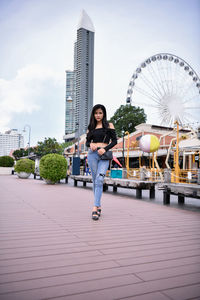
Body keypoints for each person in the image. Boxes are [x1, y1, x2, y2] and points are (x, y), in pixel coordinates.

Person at [86, 104, 117, 220]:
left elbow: (114, 141)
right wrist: (91, 144)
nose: (98, 115)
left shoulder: (109, 125)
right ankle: (98, 206)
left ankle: (95, 207)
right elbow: (87, 143)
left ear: (103, 114)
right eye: (96, 113)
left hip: (104, 155)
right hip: (92, 155)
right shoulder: (91, 127)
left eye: (100, 113)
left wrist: (105, 148)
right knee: (95, 181)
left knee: (99, 179)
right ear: (93, 114)